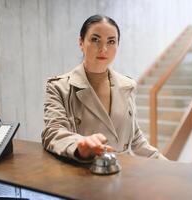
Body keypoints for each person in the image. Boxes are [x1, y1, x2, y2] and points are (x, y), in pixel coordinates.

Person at [42, 15, 166, 162]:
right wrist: (80, 146)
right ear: (81, 43)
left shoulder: (128, 85)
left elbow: (135, 139)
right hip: (84, 172)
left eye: (111, 41)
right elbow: (53, 131)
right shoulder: (59, 87)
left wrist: (168, 166)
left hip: (123, 172)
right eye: (95, 40)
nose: (103, 49)